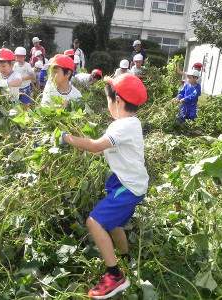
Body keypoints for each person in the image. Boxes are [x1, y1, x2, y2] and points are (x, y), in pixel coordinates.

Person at [61, 73, 149, 299]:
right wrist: (89, 146)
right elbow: (102, 148)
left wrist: (67, 138)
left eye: (108, 101)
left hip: (128, 187)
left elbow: (96, 146)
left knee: (94, 222)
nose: (108, 105)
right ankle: (126, 257)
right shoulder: (129, 123)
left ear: (117, 101)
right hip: (131, 182)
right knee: (115, 224)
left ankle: (115, 276)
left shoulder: (122, 126)